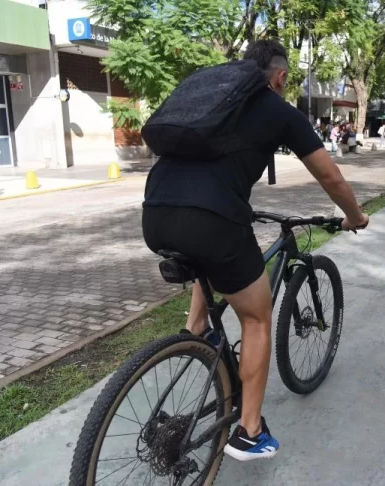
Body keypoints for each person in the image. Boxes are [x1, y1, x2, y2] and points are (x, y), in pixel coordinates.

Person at [141, 39, 369, 462]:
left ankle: (197, 330)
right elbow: (332, 178)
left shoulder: (213, 99)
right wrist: (355, 216)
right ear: (280, 77)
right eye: (285, 81)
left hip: (155, 211)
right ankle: (249, 431)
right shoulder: (278, 109)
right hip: (212, 220)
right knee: (258, 316)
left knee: (216, 253)